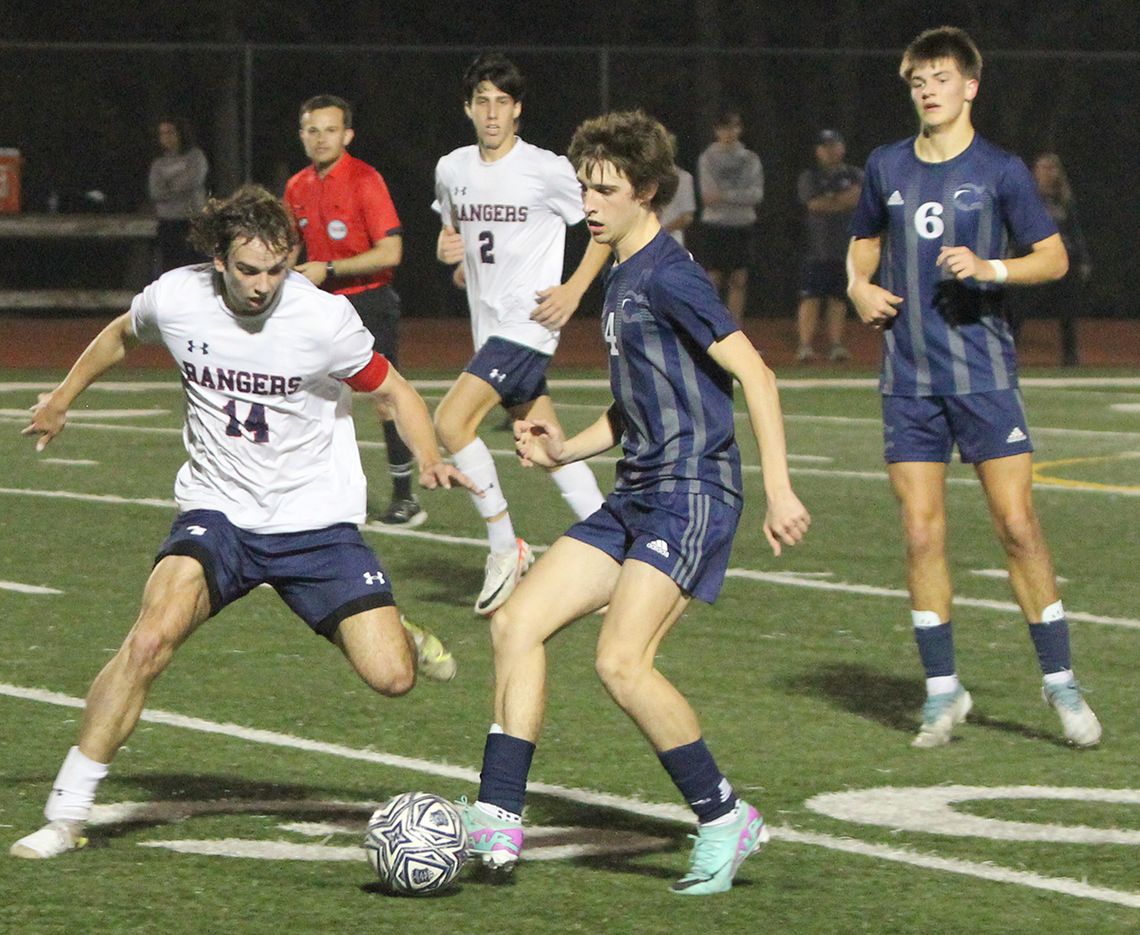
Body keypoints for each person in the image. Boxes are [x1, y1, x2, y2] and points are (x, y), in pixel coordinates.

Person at [10, 186, 473, 860]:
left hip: (313, 522)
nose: (262, 286)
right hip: (217, 512)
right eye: (248, 270)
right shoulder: (178, 296)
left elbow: (394, 387)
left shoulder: (323, 319)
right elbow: (119, 334)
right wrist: (61, 397)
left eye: (277, 270)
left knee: (393, 676)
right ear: (218, 261)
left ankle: (393, 627)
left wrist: (428, 453)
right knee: (147, 641)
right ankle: (67, 811)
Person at [455, 110, 811, 896]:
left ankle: (724, 816)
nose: (589, 200)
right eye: (584, 184)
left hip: (692, 495)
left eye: (605, 188)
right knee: (516, 620)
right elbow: (635, 408)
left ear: (646, 191)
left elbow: (756, 374)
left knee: (621, 660)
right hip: (637, 493)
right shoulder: (620, 272)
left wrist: (778, 487)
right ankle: (499, 816)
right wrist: (560, 450)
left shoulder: (672, 273)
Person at [846, 26, 1101, 749]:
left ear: (970, 86)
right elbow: (863, 241)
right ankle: (942, 691)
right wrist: (857, 287)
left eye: (940, 77)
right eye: (918, 79)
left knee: (1017, 525)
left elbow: (1051, 258)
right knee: (921, 531)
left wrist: (990, 269)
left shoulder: (1001, 170)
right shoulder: (886, 166)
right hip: (908, 379)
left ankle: (1060, 683)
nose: (927, 89)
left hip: (983, 374)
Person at [433, 52, 608, 616]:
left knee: (450, 421)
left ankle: (505, 546)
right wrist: (448, 249)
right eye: (481, 101)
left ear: (518, 112)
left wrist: (575, 290)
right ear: (466, 108)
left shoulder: (547, 169)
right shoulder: (453, 168)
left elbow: (606, 225)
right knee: (547, 442)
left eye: (502, 103)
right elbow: (455, 230)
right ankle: (616, 550)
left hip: (528, 326)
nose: (491, 112)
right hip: (490, 330)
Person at [284, 94, 423, 527]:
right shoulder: (296, 186)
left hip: (369, 301)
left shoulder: (365, 180)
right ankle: (314, 492)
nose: (321, 139)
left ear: (347, 135)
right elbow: (290, 247)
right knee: (306, 394)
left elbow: (391, 252)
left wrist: (328, 268)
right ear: (302, 135)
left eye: (330, 130)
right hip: (320, 305)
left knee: (384, 397)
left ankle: (405, 496)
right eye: (312, 130)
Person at [1010, 153, 1091, 366]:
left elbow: (1075, 232)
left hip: (1065, 258)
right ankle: (1008, 354)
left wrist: (1082, 260)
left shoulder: (1063, 200)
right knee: (1021, 307)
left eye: (1052, 168)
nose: (1049, 173)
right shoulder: (1028, 197)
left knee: (1068, 310)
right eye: (1044, 168)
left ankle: (1070, 356)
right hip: (1036, 258)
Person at [795, 129, 862, 363]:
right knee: (810, 297)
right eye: (825, 146)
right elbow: (814, 204)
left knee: (838, 298)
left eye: (835, 145)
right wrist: (842, 201)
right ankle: (805, 346)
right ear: (818, 150)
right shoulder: (809, 176)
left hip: (844, 246)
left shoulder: (854, 174)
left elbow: (860, 200)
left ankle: (836, 344)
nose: (831, 150)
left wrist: (832, 201)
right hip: (816, 247)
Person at [696, 110, 764, 323]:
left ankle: (735, 330)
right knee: (713, 278)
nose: (729, 132)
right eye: (724, 128)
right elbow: (708, 196)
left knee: (739, 279)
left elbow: (756, 194)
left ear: (740, 129)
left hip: (741, 224)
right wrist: (737, 196)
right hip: (715, 225)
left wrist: (724, 195)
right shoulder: (708, 158)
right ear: (717, 131)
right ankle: (711, 328)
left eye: (734, 127)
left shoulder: (750, 159)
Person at [148, 117, 209, 272]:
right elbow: (155, 191)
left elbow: (194, 180)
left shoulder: (195, 156)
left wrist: (170, 186)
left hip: (193, 220)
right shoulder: (158, 163)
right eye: (162, 133)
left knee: (197, 269)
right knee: (170, 269)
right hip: (168, 223)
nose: (166, 137)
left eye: (170, 132)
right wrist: (177, 186)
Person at [657, 134, 696, 247]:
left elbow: (687, 216)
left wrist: (661, 232)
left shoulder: (683, 178)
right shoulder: (643, 178)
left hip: (672, 242)